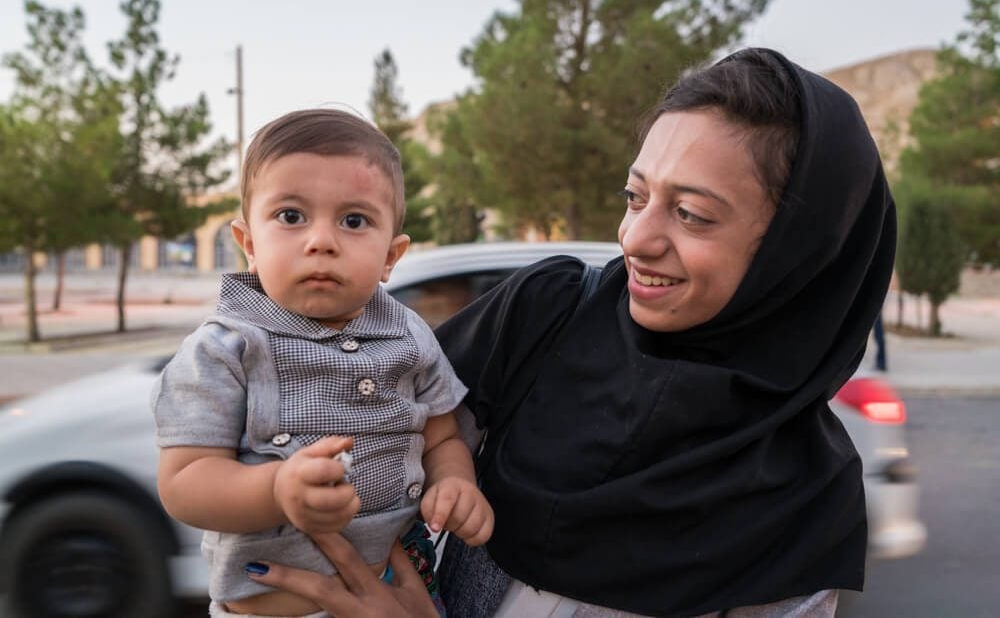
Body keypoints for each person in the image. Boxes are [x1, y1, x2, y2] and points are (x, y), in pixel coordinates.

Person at [247, 48, 896, 617]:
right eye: (634, 195)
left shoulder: (806, 503)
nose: (635, 240)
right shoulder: (546, 314)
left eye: (692, 214)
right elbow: (352, 448)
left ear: (796, 254)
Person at [151, 108, 493, 617]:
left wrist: (455, 483)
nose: (321, 241)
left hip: (405, 591)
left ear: (390, 257)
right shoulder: (225, 350)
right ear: (248, 243)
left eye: (354, 221)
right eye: (291, 216)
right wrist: (275, 489)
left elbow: (441, 437)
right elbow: (183, 482)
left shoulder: (410, 334)